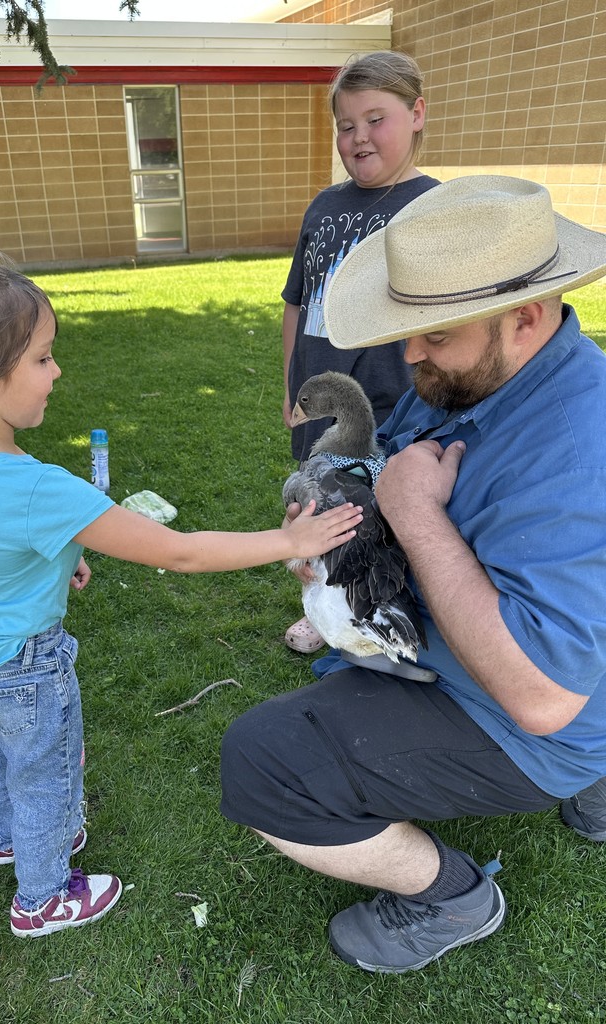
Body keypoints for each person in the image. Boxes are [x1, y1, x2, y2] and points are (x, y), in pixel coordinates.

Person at [0, 249, 362, 940]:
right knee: (47, 778)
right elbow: (180, 551)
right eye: (41, 358)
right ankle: (42, 896)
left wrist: (55, 563)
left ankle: (4, 838)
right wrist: (288, 543)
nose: (57, 371)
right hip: (26, 671)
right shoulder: (39, 490)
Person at [220, 175, 606, 973]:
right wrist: (329, 529)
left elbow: (539, 696)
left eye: (433, 332)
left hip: (532, 714)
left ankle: (453, 896)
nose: (408, 353)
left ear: (526, 316)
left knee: (262, 763)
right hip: (537, 671)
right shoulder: (480, 374)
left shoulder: (574, 452)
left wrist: (418, 514)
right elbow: (382, 464)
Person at [282, 50, 440, 654]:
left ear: (417, 112)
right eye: (346, 126)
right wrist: (288, 386)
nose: (359, 137)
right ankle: (324, 601)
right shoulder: (323, 206)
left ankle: (378, 612)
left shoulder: (432, 209)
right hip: (324, 402)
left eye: (376, 119)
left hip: (395, 404)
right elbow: (297, 303)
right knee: (319, 502)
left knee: (383, 518)